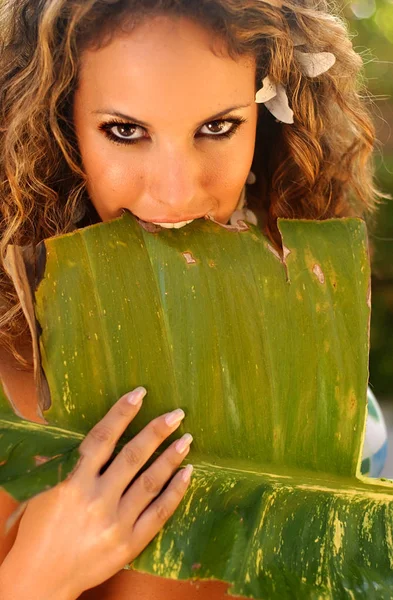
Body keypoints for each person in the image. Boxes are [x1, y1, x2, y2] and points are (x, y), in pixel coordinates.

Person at [0, 0, 389, 598]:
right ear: (56, 130)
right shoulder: (8, 380)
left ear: (267, 124)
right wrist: (35, 577)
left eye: (217, 127)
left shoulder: (324, 370)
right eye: (125, 131)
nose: (178, 192)